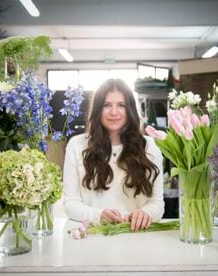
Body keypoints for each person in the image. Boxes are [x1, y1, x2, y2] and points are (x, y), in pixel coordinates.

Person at [63, 78, 164, 231]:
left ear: (130, 109)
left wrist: (146, 213)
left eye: (121, 105)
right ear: (97, 109)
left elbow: (157, 203)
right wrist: (98, 215)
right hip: (92, 237)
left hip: (137, 236)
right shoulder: (76, 146)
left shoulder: (149, 146)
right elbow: (70, 204)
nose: (114, 112)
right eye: (106, 105)